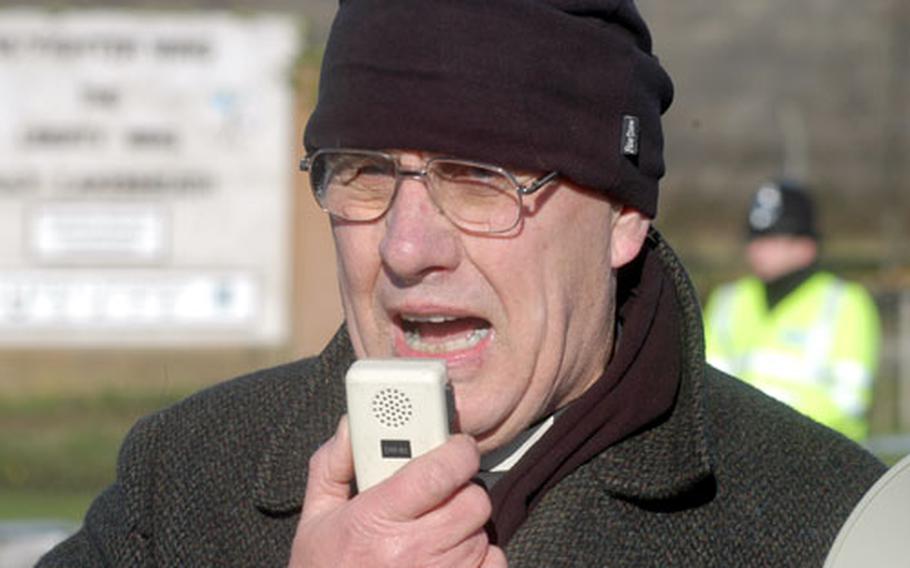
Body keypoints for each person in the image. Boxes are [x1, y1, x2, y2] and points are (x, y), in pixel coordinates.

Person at [40, 1, 885, 566]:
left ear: (624, 215)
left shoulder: (835, 529)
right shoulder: (184, 475)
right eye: (364, 172)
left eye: (481, 177)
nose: (407, 247)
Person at [704, 179, 881, 441]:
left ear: (806, 246)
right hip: (738, 460)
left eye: (773, 238)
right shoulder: (728, 300)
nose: (757, 249)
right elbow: (708, 386)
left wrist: (765, 428)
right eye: (754, 238)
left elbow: (848, 402)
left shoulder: (845, 303)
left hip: (823, 464)